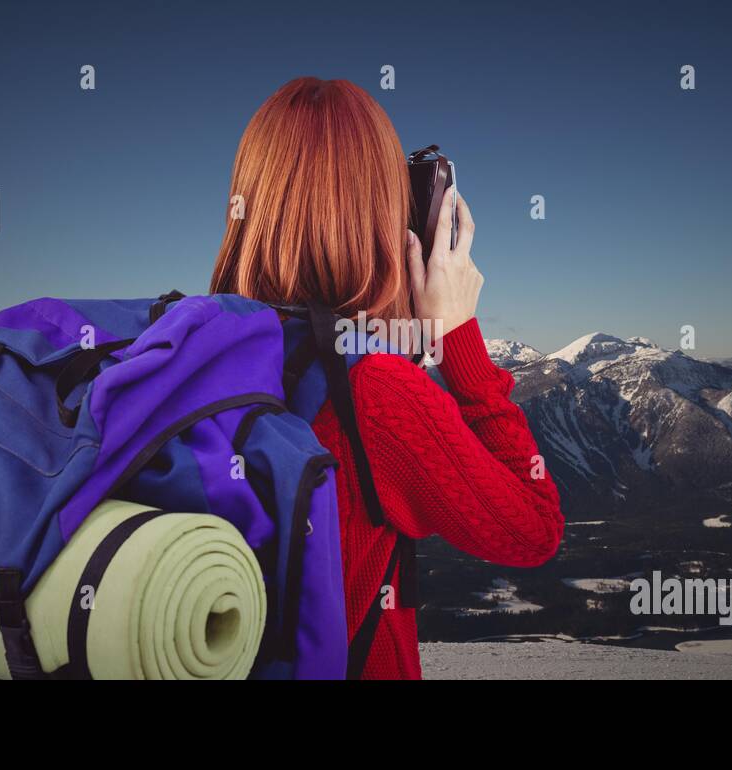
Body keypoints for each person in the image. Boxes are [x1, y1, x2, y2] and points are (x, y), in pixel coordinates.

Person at [210, 77, 563, 679]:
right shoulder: (376, 395)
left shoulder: (201, 352)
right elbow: (533, 528)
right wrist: (457, 337)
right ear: (381, 211)